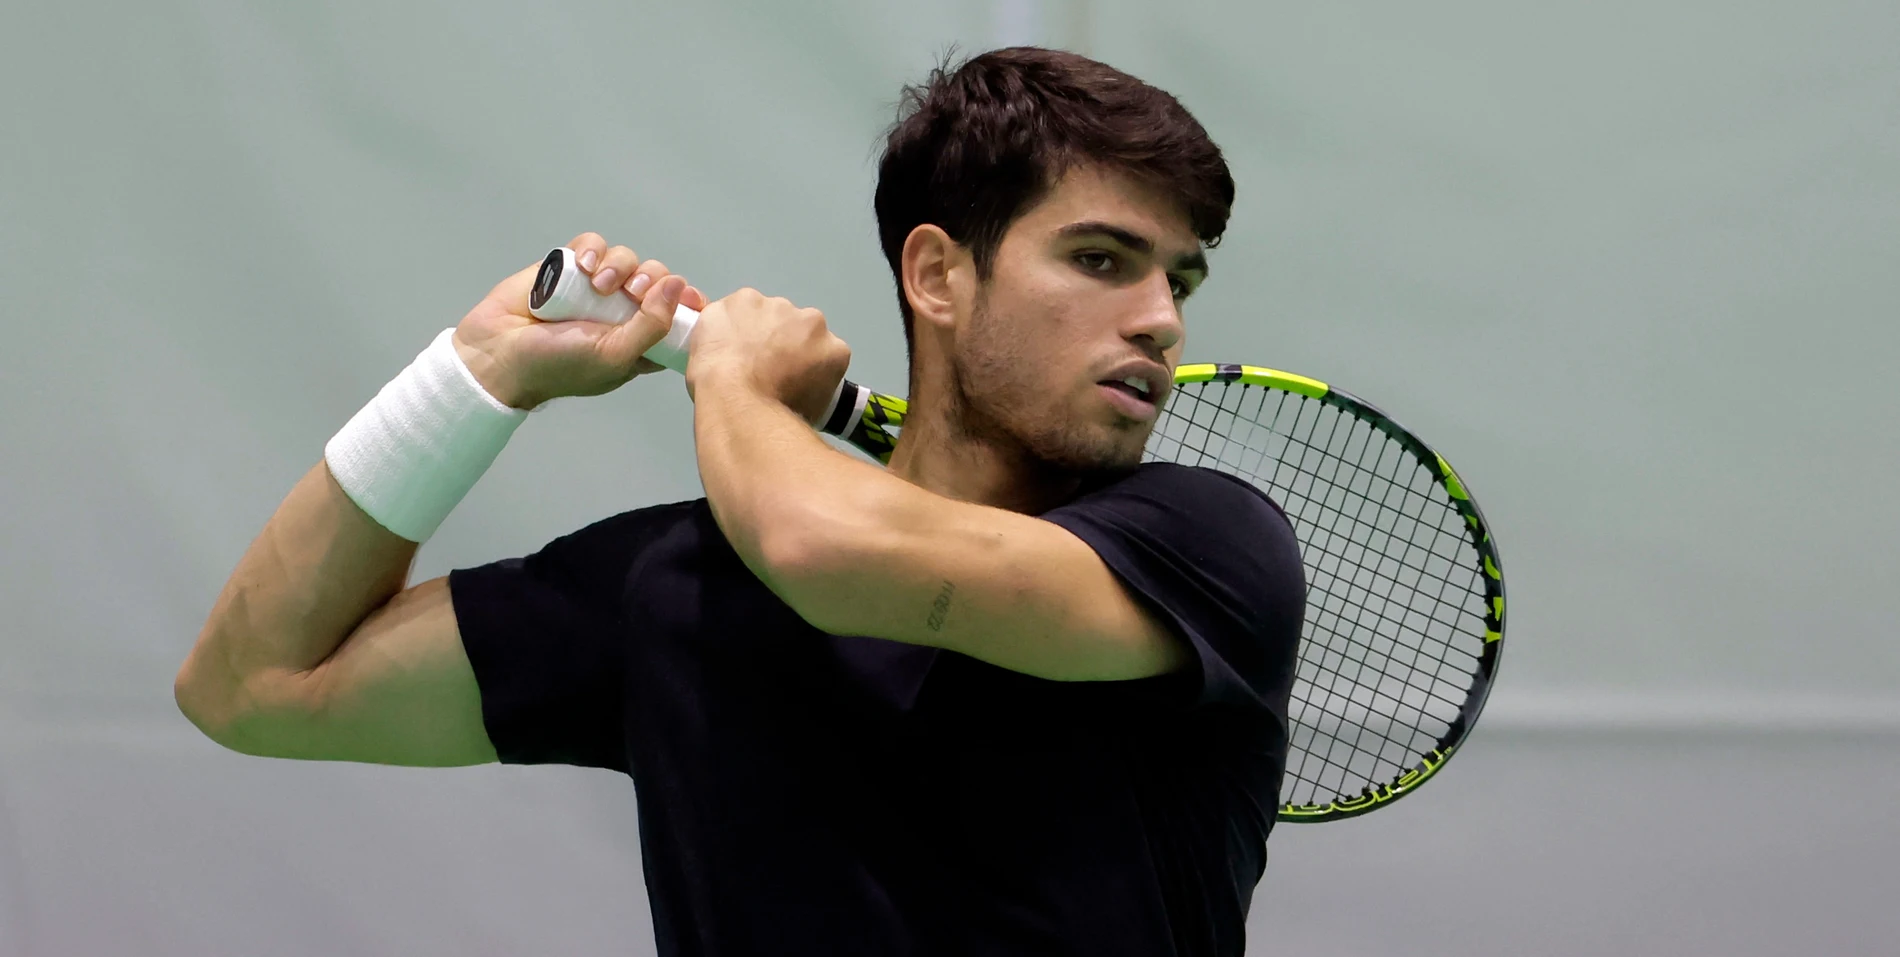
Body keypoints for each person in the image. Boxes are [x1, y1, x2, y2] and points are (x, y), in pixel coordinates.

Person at [175, 47, 1307, 957]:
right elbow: (253, 686)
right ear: (937, 275)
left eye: (1179, 278)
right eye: (1102, 260)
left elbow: (821, 549)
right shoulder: (678, 587)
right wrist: (474, 376)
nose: (1160, 319)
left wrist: (735, 380)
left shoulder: (1206, 549)